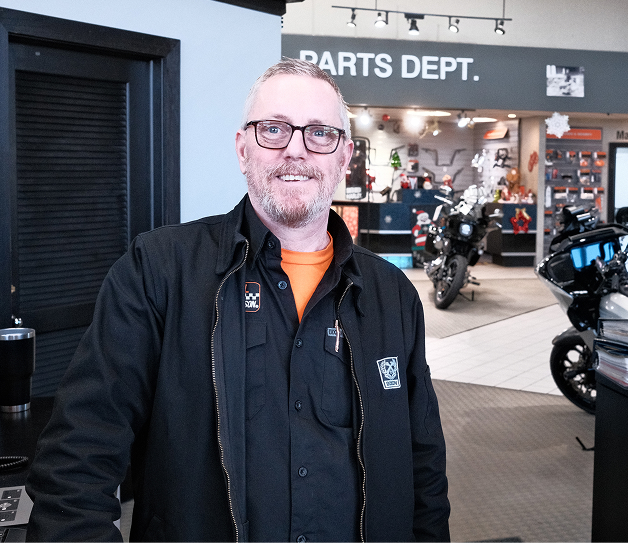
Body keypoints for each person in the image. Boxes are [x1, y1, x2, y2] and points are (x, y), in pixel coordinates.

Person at [25, 59, 451, 542]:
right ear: (242, 146)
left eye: (319, 133)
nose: (295, 149)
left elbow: (423, 470)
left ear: (343, 155)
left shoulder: (391, 295)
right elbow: (77, 462)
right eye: (273, 129)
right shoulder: (159, 271)